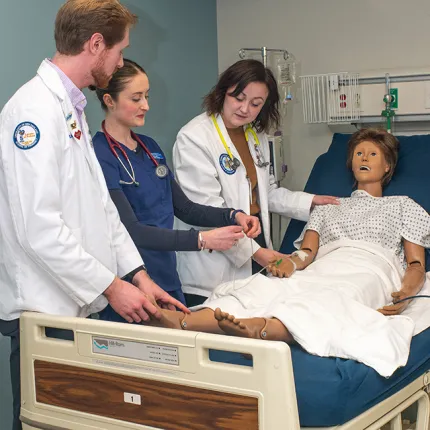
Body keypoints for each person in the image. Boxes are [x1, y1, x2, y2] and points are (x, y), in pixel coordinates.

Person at [0, 2, 187, 429]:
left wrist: (138, 277)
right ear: (96, 44)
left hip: (73, 306)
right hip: (42, 310)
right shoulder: (32, 112)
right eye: (120, 51)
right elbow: (38, 228)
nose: (121, 61)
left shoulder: (71, 110)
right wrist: (112, 286)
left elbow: (101, 209)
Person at [145, 128, 430, 377]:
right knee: (262, 288)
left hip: (369, 270)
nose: (364, 159)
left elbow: (416, 263)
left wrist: (406, 293)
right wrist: (289, 264)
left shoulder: (403, 205)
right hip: (324, 266)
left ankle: (260, 329)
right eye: (358, 153)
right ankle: (183, 321)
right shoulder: (329, 209)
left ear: (388, 166)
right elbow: (307, 252)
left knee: (328, 300)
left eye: (372, 154)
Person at [91, 59, 261, 316]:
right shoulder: (100, 155)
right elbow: (132, 232)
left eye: (147, 96)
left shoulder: (150, 148)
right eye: (136, 98)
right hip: (130, 282)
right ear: (109, 100)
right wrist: (202, 240)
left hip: (167, 276)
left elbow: (184, 208)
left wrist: (232, 215)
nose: (146, 106)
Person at [173, 59, 339, 305]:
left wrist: (311, 202)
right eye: (238, 98)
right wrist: (259, 254)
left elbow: (265, 193)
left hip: (254, 238)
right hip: (214, 259)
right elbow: (206, 211)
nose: (245, 109)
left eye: (255, 104)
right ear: (222, 92)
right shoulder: (194, 137)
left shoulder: (254, 135)